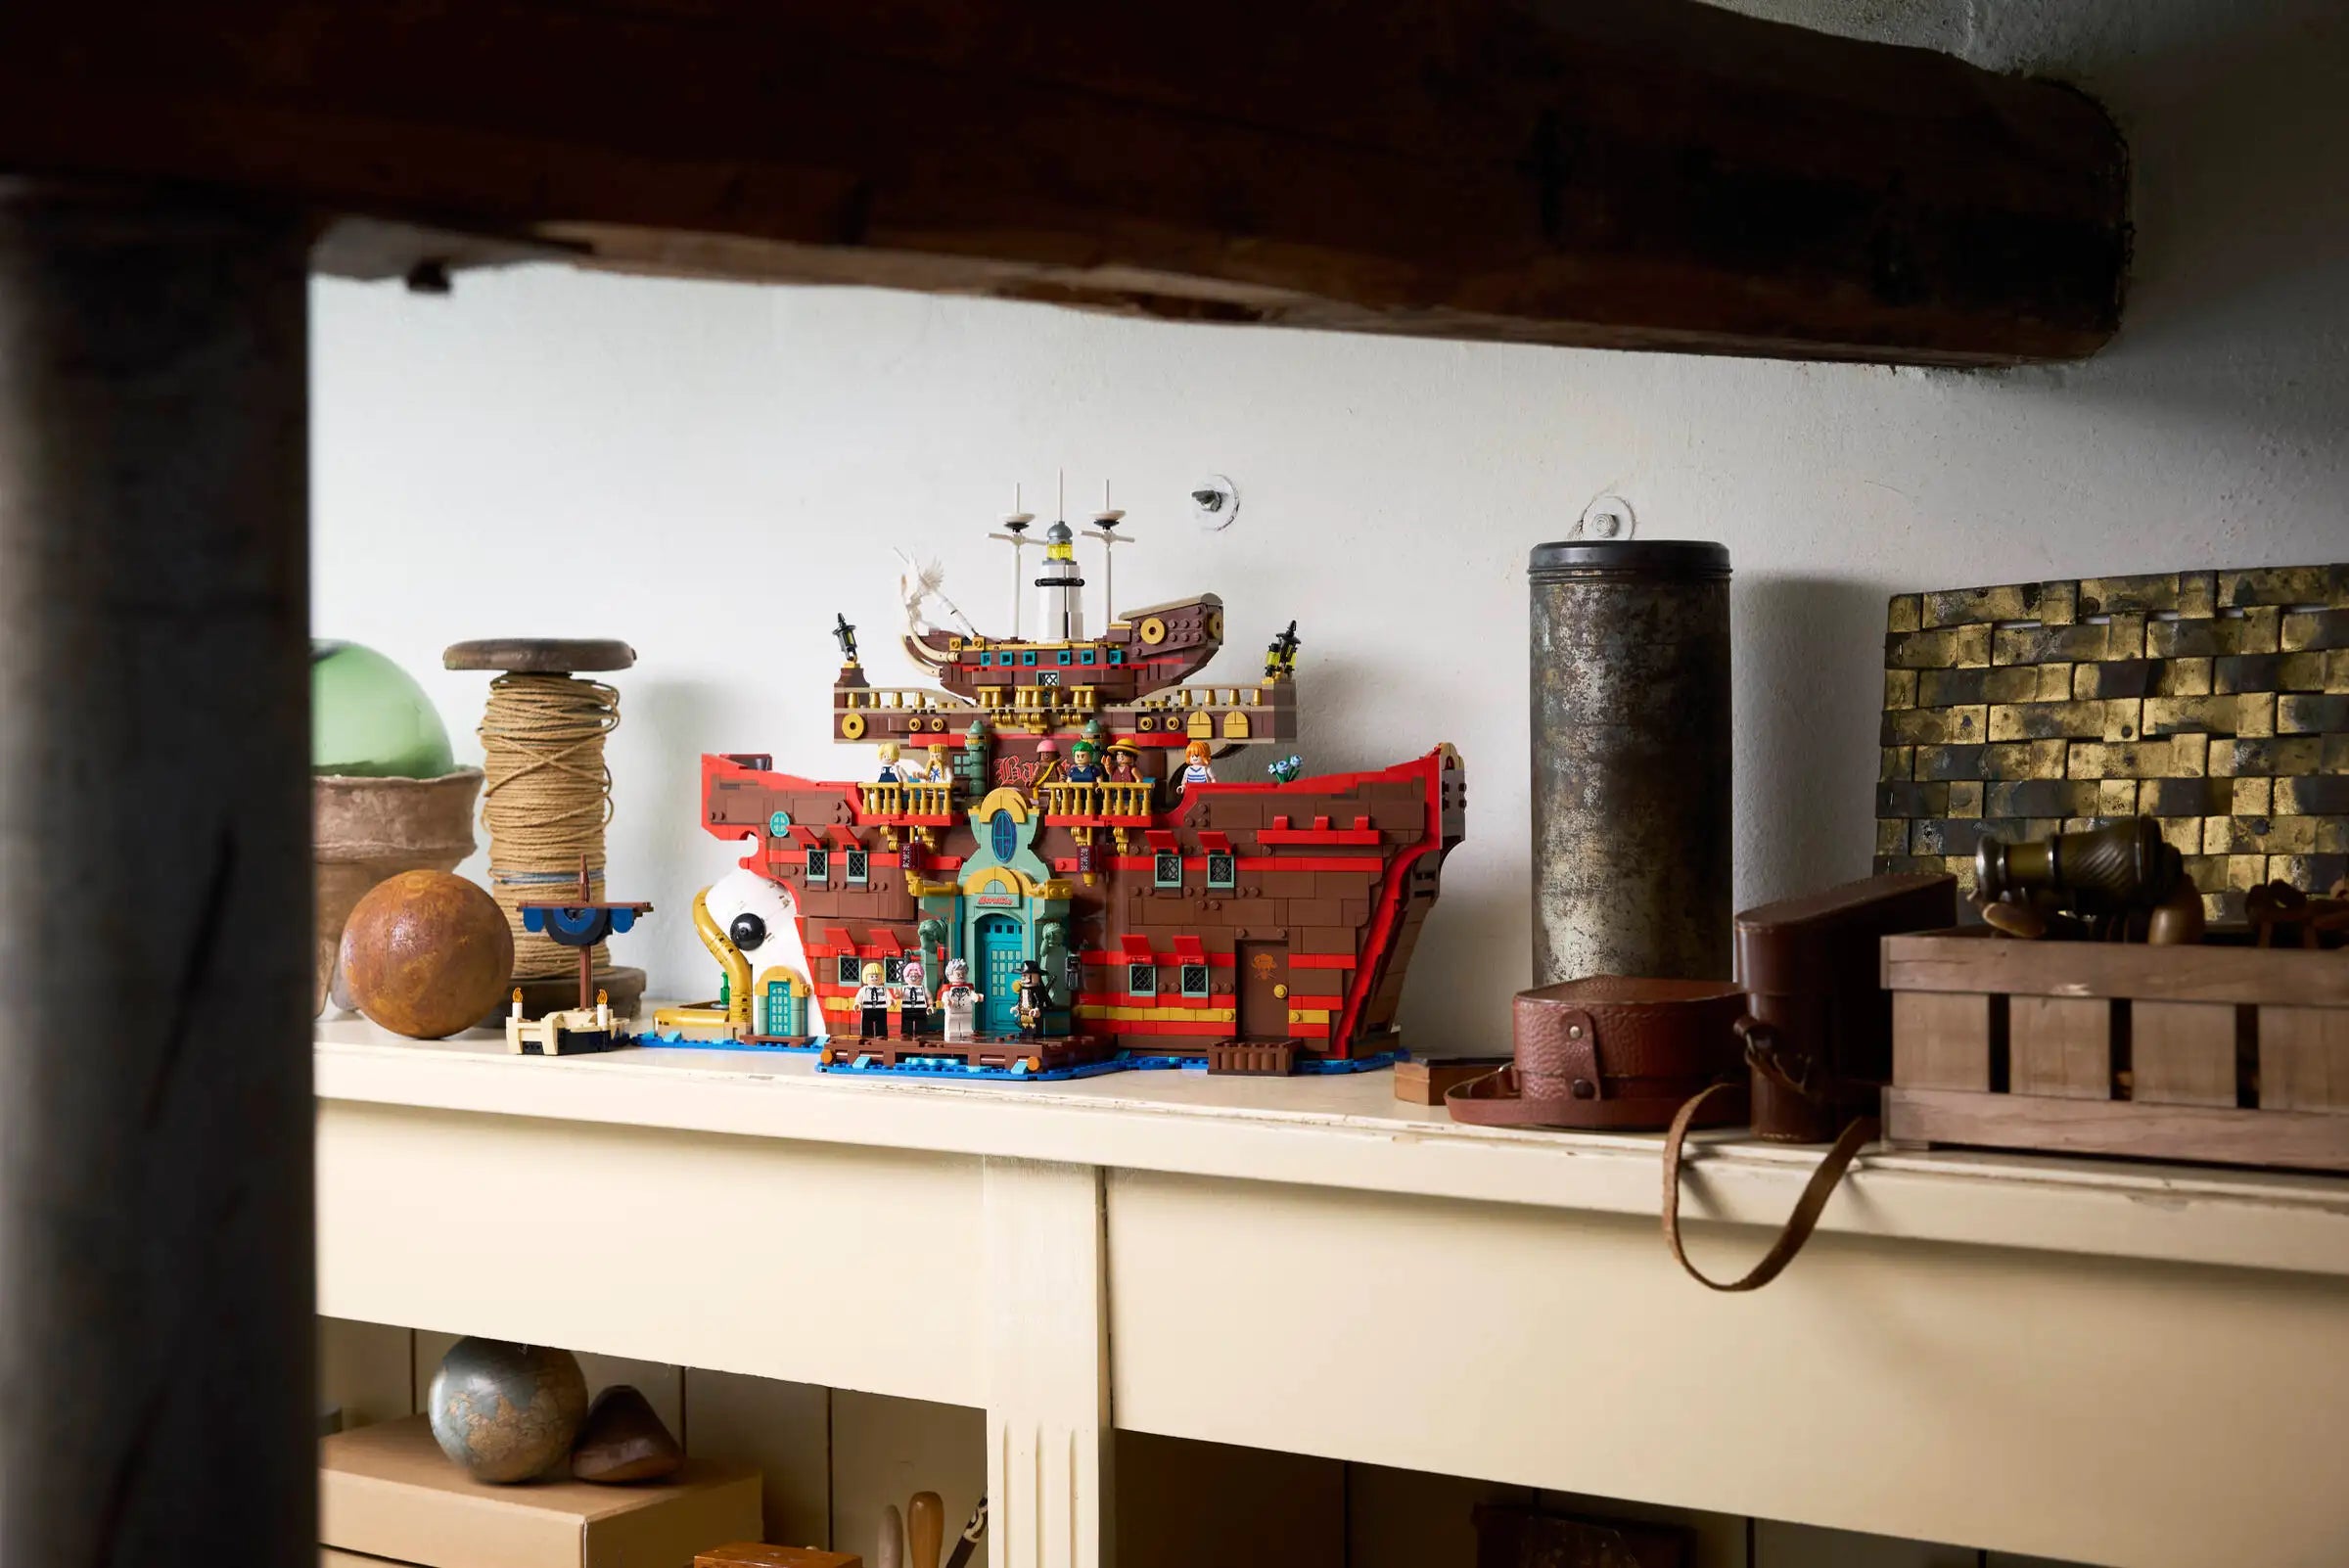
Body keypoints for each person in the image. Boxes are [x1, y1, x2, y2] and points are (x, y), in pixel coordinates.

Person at [939, 957, 983, 1042]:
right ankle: (952, 1036)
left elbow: (972, 994)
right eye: (958, 974)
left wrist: (976, 997)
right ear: (949, 975)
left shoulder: (968, 988)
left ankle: (966, 1035)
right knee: (952, 1027)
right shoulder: (948, 989)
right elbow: (945, 997)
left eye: (963, 973)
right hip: (953, 1011)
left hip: (966, 1011)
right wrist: (947, 1001)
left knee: (966, 1026)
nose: (961, 976)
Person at [1013, 959, 1051, 1037]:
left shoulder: (1037, 990)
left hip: (1033, 1013)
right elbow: (1020, 999)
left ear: (1035, 976)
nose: (1023, 978)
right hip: (1024, 1011)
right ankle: (1025, 1033)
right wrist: (1016, 1007)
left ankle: (1034, 1034)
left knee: (1034, 1025)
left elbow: (1039, 1000)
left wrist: (1037, 1009)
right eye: (1022, 975)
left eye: (1025, 975)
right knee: (1024, 1024)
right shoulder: (1022, 989)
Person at [853, 961, 892, 1038]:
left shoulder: (883, 989)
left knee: (881, 1024)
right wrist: (857, 1004)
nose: (875, 978)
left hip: (881, 1009)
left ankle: (881, 1037)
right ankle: (866, 1037)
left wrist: (891, 1000)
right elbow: (858, 999)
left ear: (882, 977)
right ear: (865, 977)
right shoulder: (863, 990)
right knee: (866, 1025)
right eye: (872, 976)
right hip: (867, 1009)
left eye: (877, 976)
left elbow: (889, 997)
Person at [898, 955, 932, 1038]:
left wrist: (930, 1006)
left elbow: (929, 997)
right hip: (907, 1007)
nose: (913, 978)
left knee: (921, 1022)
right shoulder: (904, 988)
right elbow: (900, 996)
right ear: (906, 977)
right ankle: (906, 1033)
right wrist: (898, 994)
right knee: (906, 1021)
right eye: (911, 976)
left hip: (920, 1008)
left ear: (921, 976)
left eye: (916, 976)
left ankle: (921, 1033)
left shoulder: (923, 988)